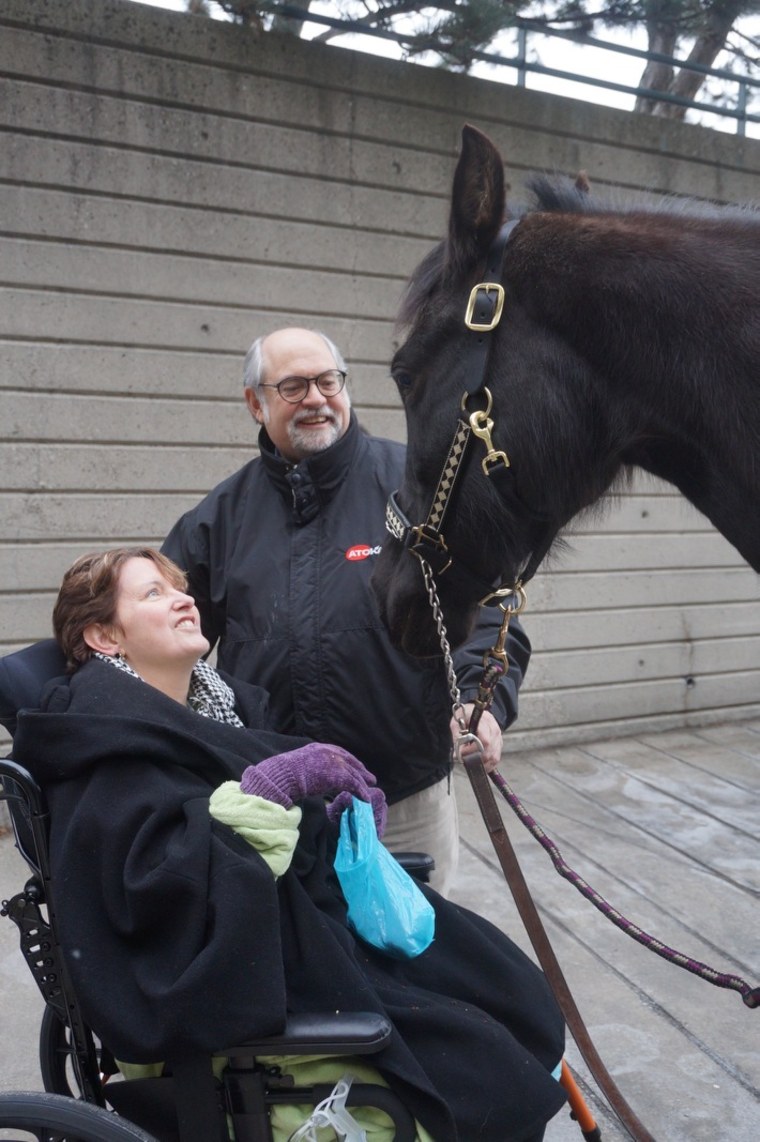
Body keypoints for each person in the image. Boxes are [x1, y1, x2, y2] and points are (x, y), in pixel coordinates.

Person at [13, 548, 566, 1142]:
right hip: (253, 970)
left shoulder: (225, 707)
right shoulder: (103, 736)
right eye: (152, 593)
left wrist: (328, 820)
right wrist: (269, 790)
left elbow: (267, 828)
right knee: (488, 1071)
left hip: (300, 929)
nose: (184, 598)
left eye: (178, 587)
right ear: (102, 635)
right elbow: (157, 892)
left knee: (506, 986)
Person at [162, 327, 532, 895]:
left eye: (327, 380)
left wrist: (481, 701)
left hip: (405, 794)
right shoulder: (219, 519)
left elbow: (490, 615)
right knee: (302, 967)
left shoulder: (420, 490)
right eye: (291, 386)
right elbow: (164, 639)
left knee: (418, 957)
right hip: (276, 805)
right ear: (255, 404)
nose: (314, 398)